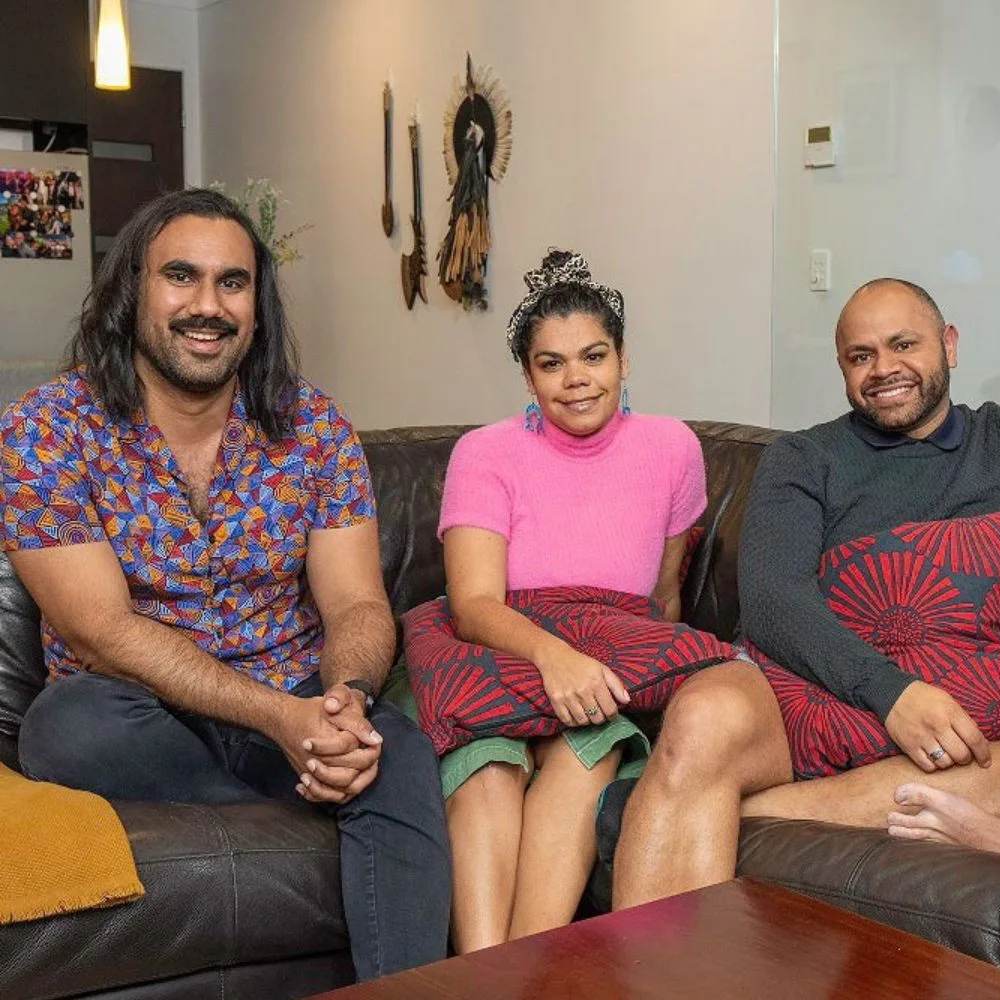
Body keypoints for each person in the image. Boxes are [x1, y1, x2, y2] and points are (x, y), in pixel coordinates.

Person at [610, 277, 1000, 908]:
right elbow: (773, 604)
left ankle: (749, 810)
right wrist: (892, 695)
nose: (884, 369)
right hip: (802, 680)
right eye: (861, 356)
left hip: (957, 697)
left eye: (904, 344)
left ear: (950, 345)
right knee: (704, 715)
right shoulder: (803, 458)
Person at [2, 188, 451, 981]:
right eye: (181, 276)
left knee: (398, 750)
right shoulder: (45, 430)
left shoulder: (314, 427)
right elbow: (100, 631)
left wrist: (343, 698)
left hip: (294, 694)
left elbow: (355, 603)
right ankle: (310, 814)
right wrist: (285, 720)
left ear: (257, 304)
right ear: (132, 288)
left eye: (232, 283)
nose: (206, 306)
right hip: (141, 712)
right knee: (64, 727)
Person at [413, 249, 711, 951]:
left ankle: (521, 978)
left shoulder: (673, 448)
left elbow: (663, 599)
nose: (577, 380)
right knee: (487, 765)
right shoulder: (485, 453)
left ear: (624, 360)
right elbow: (474, 604)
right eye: (551, 364)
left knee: (591, 750)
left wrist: (621, 670)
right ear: (527, 374)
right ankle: (484, 979)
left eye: (594, 356)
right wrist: (555, 658)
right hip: (494, 649)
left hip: (605, 659)